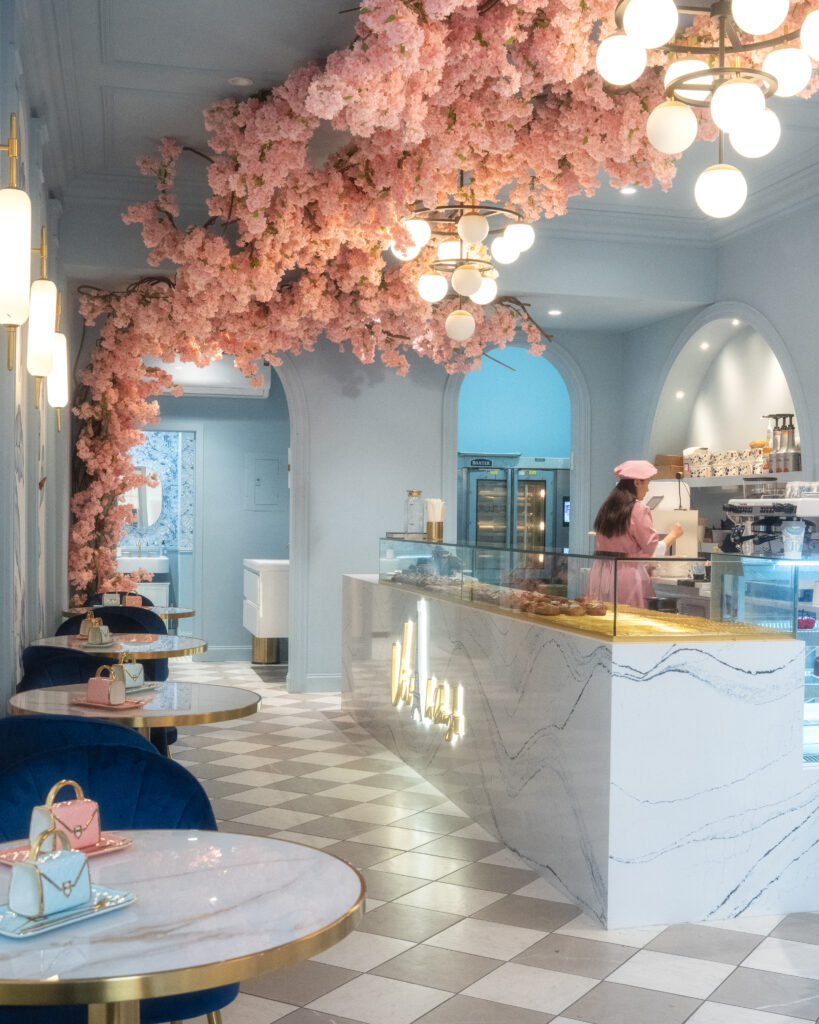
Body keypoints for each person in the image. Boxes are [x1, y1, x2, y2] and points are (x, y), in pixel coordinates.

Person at [586, 460, 684, 609]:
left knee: (604, 617)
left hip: (600, 573)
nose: (648, 489)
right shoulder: (638, 509)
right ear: (637, 482)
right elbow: (653, 549)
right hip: (625, 576)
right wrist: (673, 534)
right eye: (647, 483)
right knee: (628, 618)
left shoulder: (606, 508)